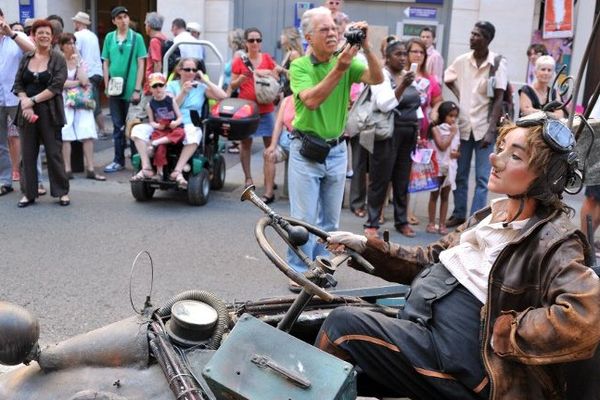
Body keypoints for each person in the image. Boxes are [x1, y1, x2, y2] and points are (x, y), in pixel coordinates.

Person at [318, 114, 600, 399]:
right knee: (335, 337)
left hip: (467, 368)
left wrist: (503, 331)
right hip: (425, 334)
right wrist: (366, 246)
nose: (495, 159)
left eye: (515, 156)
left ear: (545, 177)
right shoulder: (489, 215)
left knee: (342, 327)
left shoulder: (556, 240)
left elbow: (585, 317)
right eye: (501, 147)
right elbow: (430, 257)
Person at [286, 6, 383, 291]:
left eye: (334, 28)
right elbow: (312, 101)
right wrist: (340, 68)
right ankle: (298, 270)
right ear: (308, 37)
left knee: (330, 219)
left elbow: (377, 78)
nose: (332, 33)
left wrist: (367, 46)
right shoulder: (300, 66)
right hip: (305, 148)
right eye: (324, 29)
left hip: (337, 149)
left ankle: (322, 267)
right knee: (302, 219)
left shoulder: (347, 62)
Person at [444, 21, 507, 228]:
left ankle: (475, 219)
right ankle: (459, 213)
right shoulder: (462, 61)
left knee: (482, 178)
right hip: (463, 127)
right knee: (460, 174)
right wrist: (460, 94)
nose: (472, 37)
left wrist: (491, 131)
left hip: (483, 129)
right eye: (471, 33)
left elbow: (499, 98)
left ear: (487, 39)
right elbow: (447, 78)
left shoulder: (497, 63)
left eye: (477, 35)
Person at [131, 58, 226, 186]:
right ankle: (146, 167)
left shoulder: (201, 88)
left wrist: (204, 80)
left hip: (188, 124)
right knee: (137, 130)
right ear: (179, 70)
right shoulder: (170, 86)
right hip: (165, 123)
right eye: (187, 69)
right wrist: (183, 92)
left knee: (194, 133)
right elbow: (169, 106)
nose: (191, 73)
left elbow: (223, 96)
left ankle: (178, 170)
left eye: (194, 70)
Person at [362, 40, 419, 238]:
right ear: (387, 57)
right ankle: (372, 222)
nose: (403, 58)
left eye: (405, 54)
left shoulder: (407, 75)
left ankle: (401, 221)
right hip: (387, 134)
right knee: (380, 179)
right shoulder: (382, 76)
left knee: (402, 180)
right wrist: (403, 85)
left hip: (408, 134)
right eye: (398, 54)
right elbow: (384, 104)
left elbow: (415, 105)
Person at [12, 19, 70, 207]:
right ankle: (29, 193)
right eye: (40, 33)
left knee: (54, 153)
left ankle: (61, 192)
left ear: (52, 37)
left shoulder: (58, 58)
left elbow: (56, 86)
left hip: (50, 111)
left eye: (47, 33)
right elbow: (18, 83)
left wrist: (32, 100)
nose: (43, 36)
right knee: (27, 154)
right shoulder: (26, 57)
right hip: (26, 112)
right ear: (33, 36)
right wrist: (25, 103)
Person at [230, 27, 279, 188]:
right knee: (246, 144)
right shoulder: (240, 61)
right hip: (247, 110)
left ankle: (269, 180)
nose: (255, 43)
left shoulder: (267, 58)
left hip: (266, 109)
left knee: (270, 146)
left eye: (258, 40)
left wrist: (265, 72)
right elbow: (233, 84)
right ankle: (248, 179)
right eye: (251, 40)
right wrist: (243, 78)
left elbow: (276, 77)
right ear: (246, 43)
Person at [101, 6, 147, 173]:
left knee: (134, 125)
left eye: (125, 17)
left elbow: (141, 63)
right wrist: (106, 85)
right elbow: (105, 62)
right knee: (117, 126)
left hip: (131, 89)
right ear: (114, 21)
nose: (123, 20)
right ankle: (118, 160)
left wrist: (137, 88)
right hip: (114, 89)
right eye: (119, 17)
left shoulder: (137, 38)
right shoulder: (109, 38)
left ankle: (137, 161)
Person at [59, 33, 105, 181]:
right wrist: (76, 82)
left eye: (74, 43)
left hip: (81, 101)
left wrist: (78, 63)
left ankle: (90, 168)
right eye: (68, 43)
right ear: (62, 46)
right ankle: (67, 169)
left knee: (87, 132)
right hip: (65, 101)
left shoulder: (79, 60)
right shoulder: (58, 61)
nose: (72, 46)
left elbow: (85, 80)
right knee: (65, 134)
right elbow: (60, 83)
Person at [0, 9, 35, 197]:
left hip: (17, 96)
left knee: (28, 140)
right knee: (1, 144)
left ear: (2, 18)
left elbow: (34, 52)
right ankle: (5, 181)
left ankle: (32, 182)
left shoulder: (17, 35)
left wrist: (11, 34)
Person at [426, 101, 460, 235]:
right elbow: (442, 146)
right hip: (438, 166)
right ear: (443, 115)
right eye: (450, 116)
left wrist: (456, 154)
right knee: (434, 194)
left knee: (445, 196)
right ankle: (431, 223)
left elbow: (457, 150)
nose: (452, 119)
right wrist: (452, 134)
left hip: (450, 167)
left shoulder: (455, 130)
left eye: (455, 116)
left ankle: (442, 224)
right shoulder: (436, 129)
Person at [72, 11, 107, 138]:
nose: (74, 23)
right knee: (93, 100)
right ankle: (99, 129)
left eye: (75, 21)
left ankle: (102, 130)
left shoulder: (77, 36)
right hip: (97, 72)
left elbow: (76, 54)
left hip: (87, 74)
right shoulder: (93, 35)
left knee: (91, 103)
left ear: (79, 22)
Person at [145, 73, 185, 179]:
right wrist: (158, 126)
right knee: (160, 148)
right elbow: (151, 122)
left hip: (173, 128)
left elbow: (180, 117)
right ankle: (160, 172)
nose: (158, 89)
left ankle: (155, 143)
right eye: (154, 86)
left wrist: (175, 123)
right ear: (150, 89)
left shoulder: (170, 100)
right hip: (162, 129)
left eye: (160, 85)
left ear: (165, 87)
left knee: (180, 133)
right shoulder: (150, 105)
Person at [262, 94, 295, 203]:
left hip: (302, 145)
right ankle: (269, 193)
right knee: (269, 155)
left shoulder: (310, 100)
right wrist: (272, 145)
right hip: (286, 141)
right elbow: (278, 124)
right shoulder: (287, 101)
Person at [279, 26, 304, 98]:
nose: (281, 36)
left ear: (288, 37)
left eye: (283, 34)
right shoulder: (288, 52)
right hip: (286, 90)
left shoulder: (294, 54)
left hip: (292, 92)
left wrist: (281, 70)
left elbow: (295, 75)